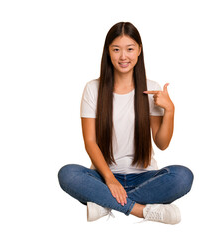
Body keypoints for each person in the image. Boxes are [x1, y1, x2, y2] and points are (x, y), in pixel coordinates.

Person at [58, 22, 193, 224]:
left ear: (139, 50)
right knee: (68, 174)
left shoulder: (151, 89)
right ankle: (139, 210)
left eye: (130, 49)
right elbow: (90, 141)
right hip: (103, 177)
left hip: (145, 178)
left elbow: (162, 143)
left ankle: (104, 203)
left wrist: (170, 110)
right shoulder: (93, 89)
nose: (123, 56)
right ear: (108, 52)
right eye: (116, 49)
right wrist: (110, 180)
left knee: (183, 176)